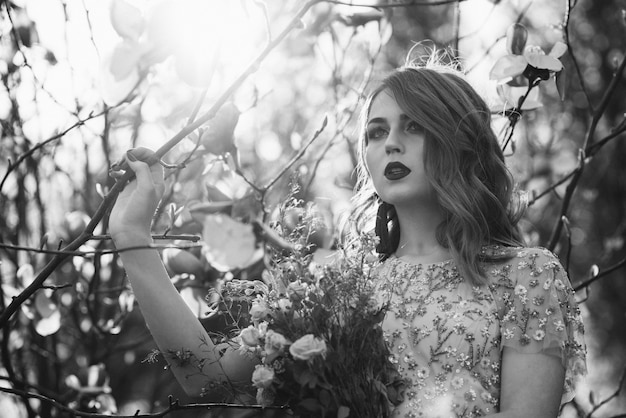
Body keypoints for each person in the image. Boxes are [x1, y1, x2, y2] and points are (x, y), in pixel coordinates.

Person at [109, 56, 586, 417]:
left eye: (414, 125)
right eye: (376, 133)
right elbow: (207, 377)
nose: (391, 143)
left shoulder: (526, 276)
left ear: (461, 142)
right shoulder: (337, 288)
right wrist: (132, 236)